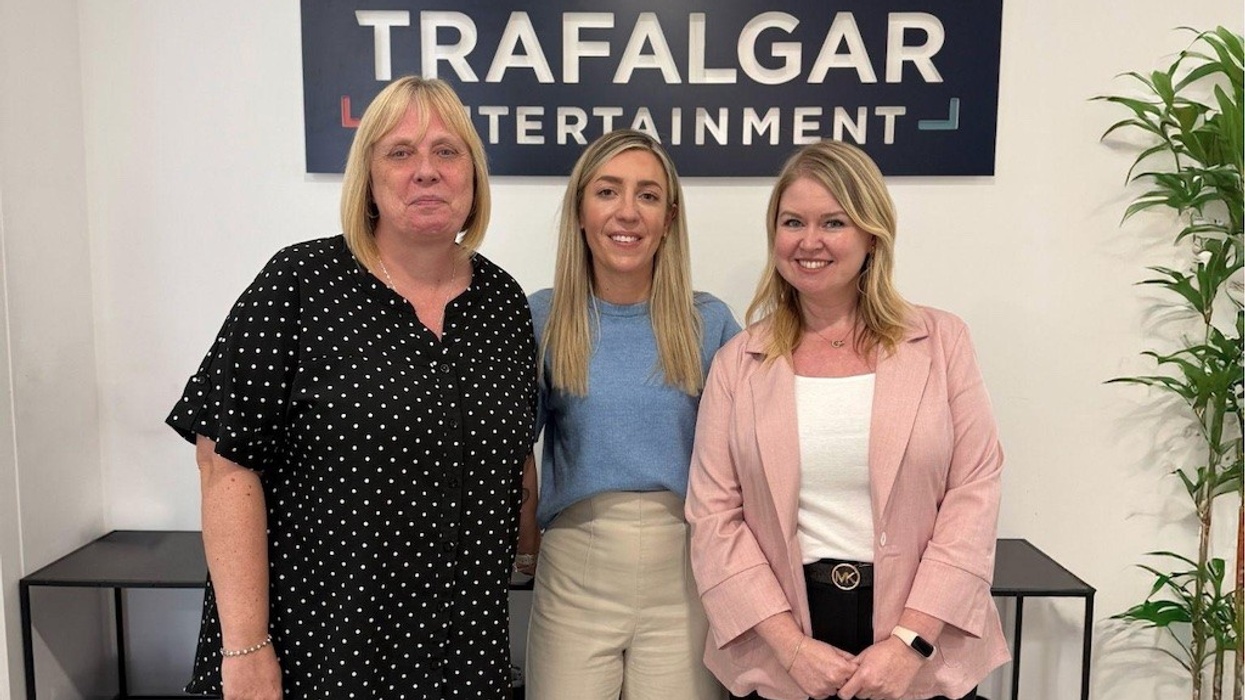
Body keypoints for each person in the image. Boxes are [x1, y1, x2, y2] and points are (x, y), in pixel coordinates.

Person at [166, 75, 537, 699]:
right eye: (400, 152)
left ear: (473, 175)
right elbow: (224, 465)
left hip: (461, 653)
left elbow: (513, 458)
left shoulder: (503, 304)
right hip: (319, 649)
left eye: (447, 151)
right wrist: (247, 649)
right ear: (368, 177)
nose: (426, 170)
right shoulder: (300, 283)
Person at [685, 140, 1009, 700]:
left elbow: (973, 494)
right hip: (784, 651)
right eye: (793, 222)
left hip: (920, 652)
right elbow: (714, 516)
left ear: (871, 234)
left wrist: (910, 643)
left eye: (833, 222)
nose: (809, 242)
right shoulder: (740, 361)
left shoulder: (941, 342)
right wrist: (791, 648)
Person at [523, 129, 740, 700]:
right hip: (575, 568)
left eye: (647, 195)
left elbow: (750, 461)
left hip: (686, 573)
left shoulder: (709, 323)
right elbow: (508, 451)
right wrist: (523, 547)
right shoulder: (541, 317)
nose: (627, 212)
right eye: (608, 191)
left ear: (669, 218)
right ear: (580, 210)